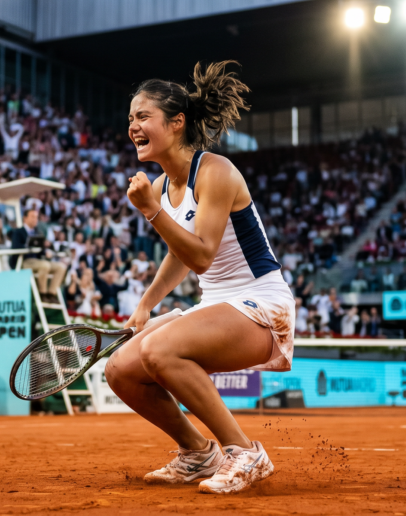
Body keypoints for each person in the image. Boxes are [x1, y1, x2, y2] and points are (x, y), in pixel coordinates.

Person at [104, 61, 293, 494]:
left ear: (176, 122)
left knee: (158, 350)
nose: (132, 125)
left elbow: (203, 255)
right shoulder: (159, 185)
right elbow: (179, 254)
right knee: (120, 370)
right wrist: (147, 303)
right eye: (130, 117)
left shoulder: (215, 172)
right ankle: (197, 454)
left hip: (262, 305)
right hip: (217, 306)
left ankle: (245, 452)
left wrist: (150, 212)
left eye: (142, 116)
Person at [8, 208, 68, 302]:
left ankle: (51, 293)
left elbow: (40, 250)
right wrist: (29, 247)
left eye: (36, 217)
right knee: (45, 265)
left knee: (61, 267)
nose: (35, 219)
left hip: (38, 260)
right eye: (32, 217)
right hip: (24, 261)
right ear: (25, 218)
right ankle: (42, 293)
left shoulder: (39, 233)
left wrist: (46, 251)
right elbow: (15, 247)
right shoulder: (18, 232)